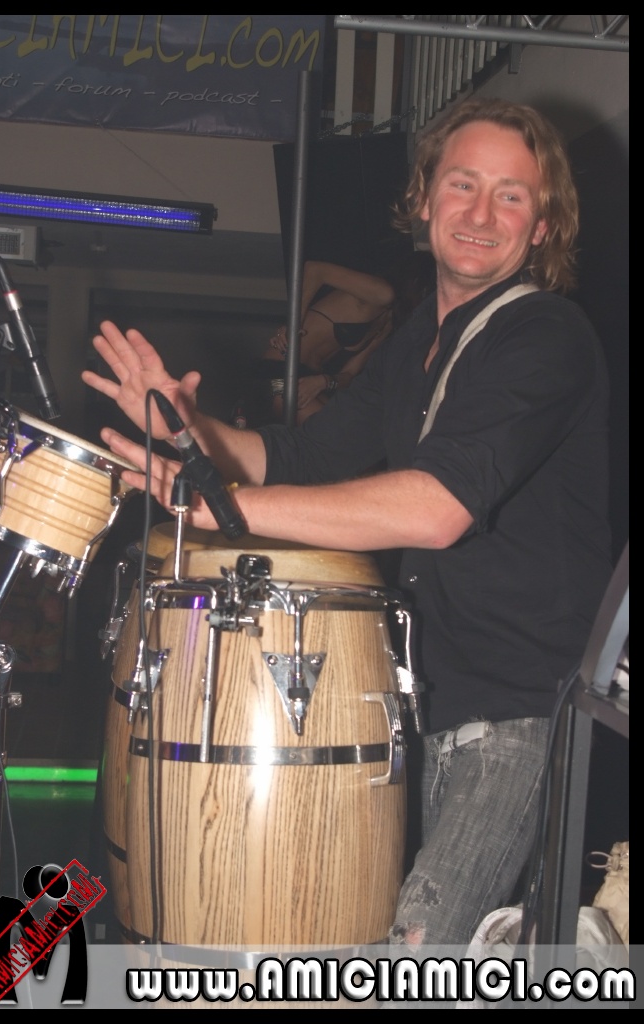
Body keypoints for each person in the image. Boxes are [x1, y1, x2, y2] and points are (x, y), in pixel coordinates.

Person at [82, 97, 613, 949]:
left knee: (416, 956)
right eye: (462, 184)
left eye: (510, 195)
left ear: (542, 226)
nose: (480, 213)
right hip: (427, 698)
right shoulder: (421, 339)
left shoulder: (543, 335)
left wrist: (221, 506)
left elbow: (434, 508)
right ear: (423, 197)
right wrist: (187, 426)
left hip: (522, 709)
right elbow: (302, 454)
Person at [252, 256, 434, 425]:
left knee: (359, 432)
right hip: (280, 370)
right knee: (338, 434)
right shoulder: (382, 292)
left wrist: (324, 381)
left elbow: (349, 375)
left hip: (310, 381)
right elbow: (315, 270)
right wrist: (293, 322)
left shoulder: (388, 324)